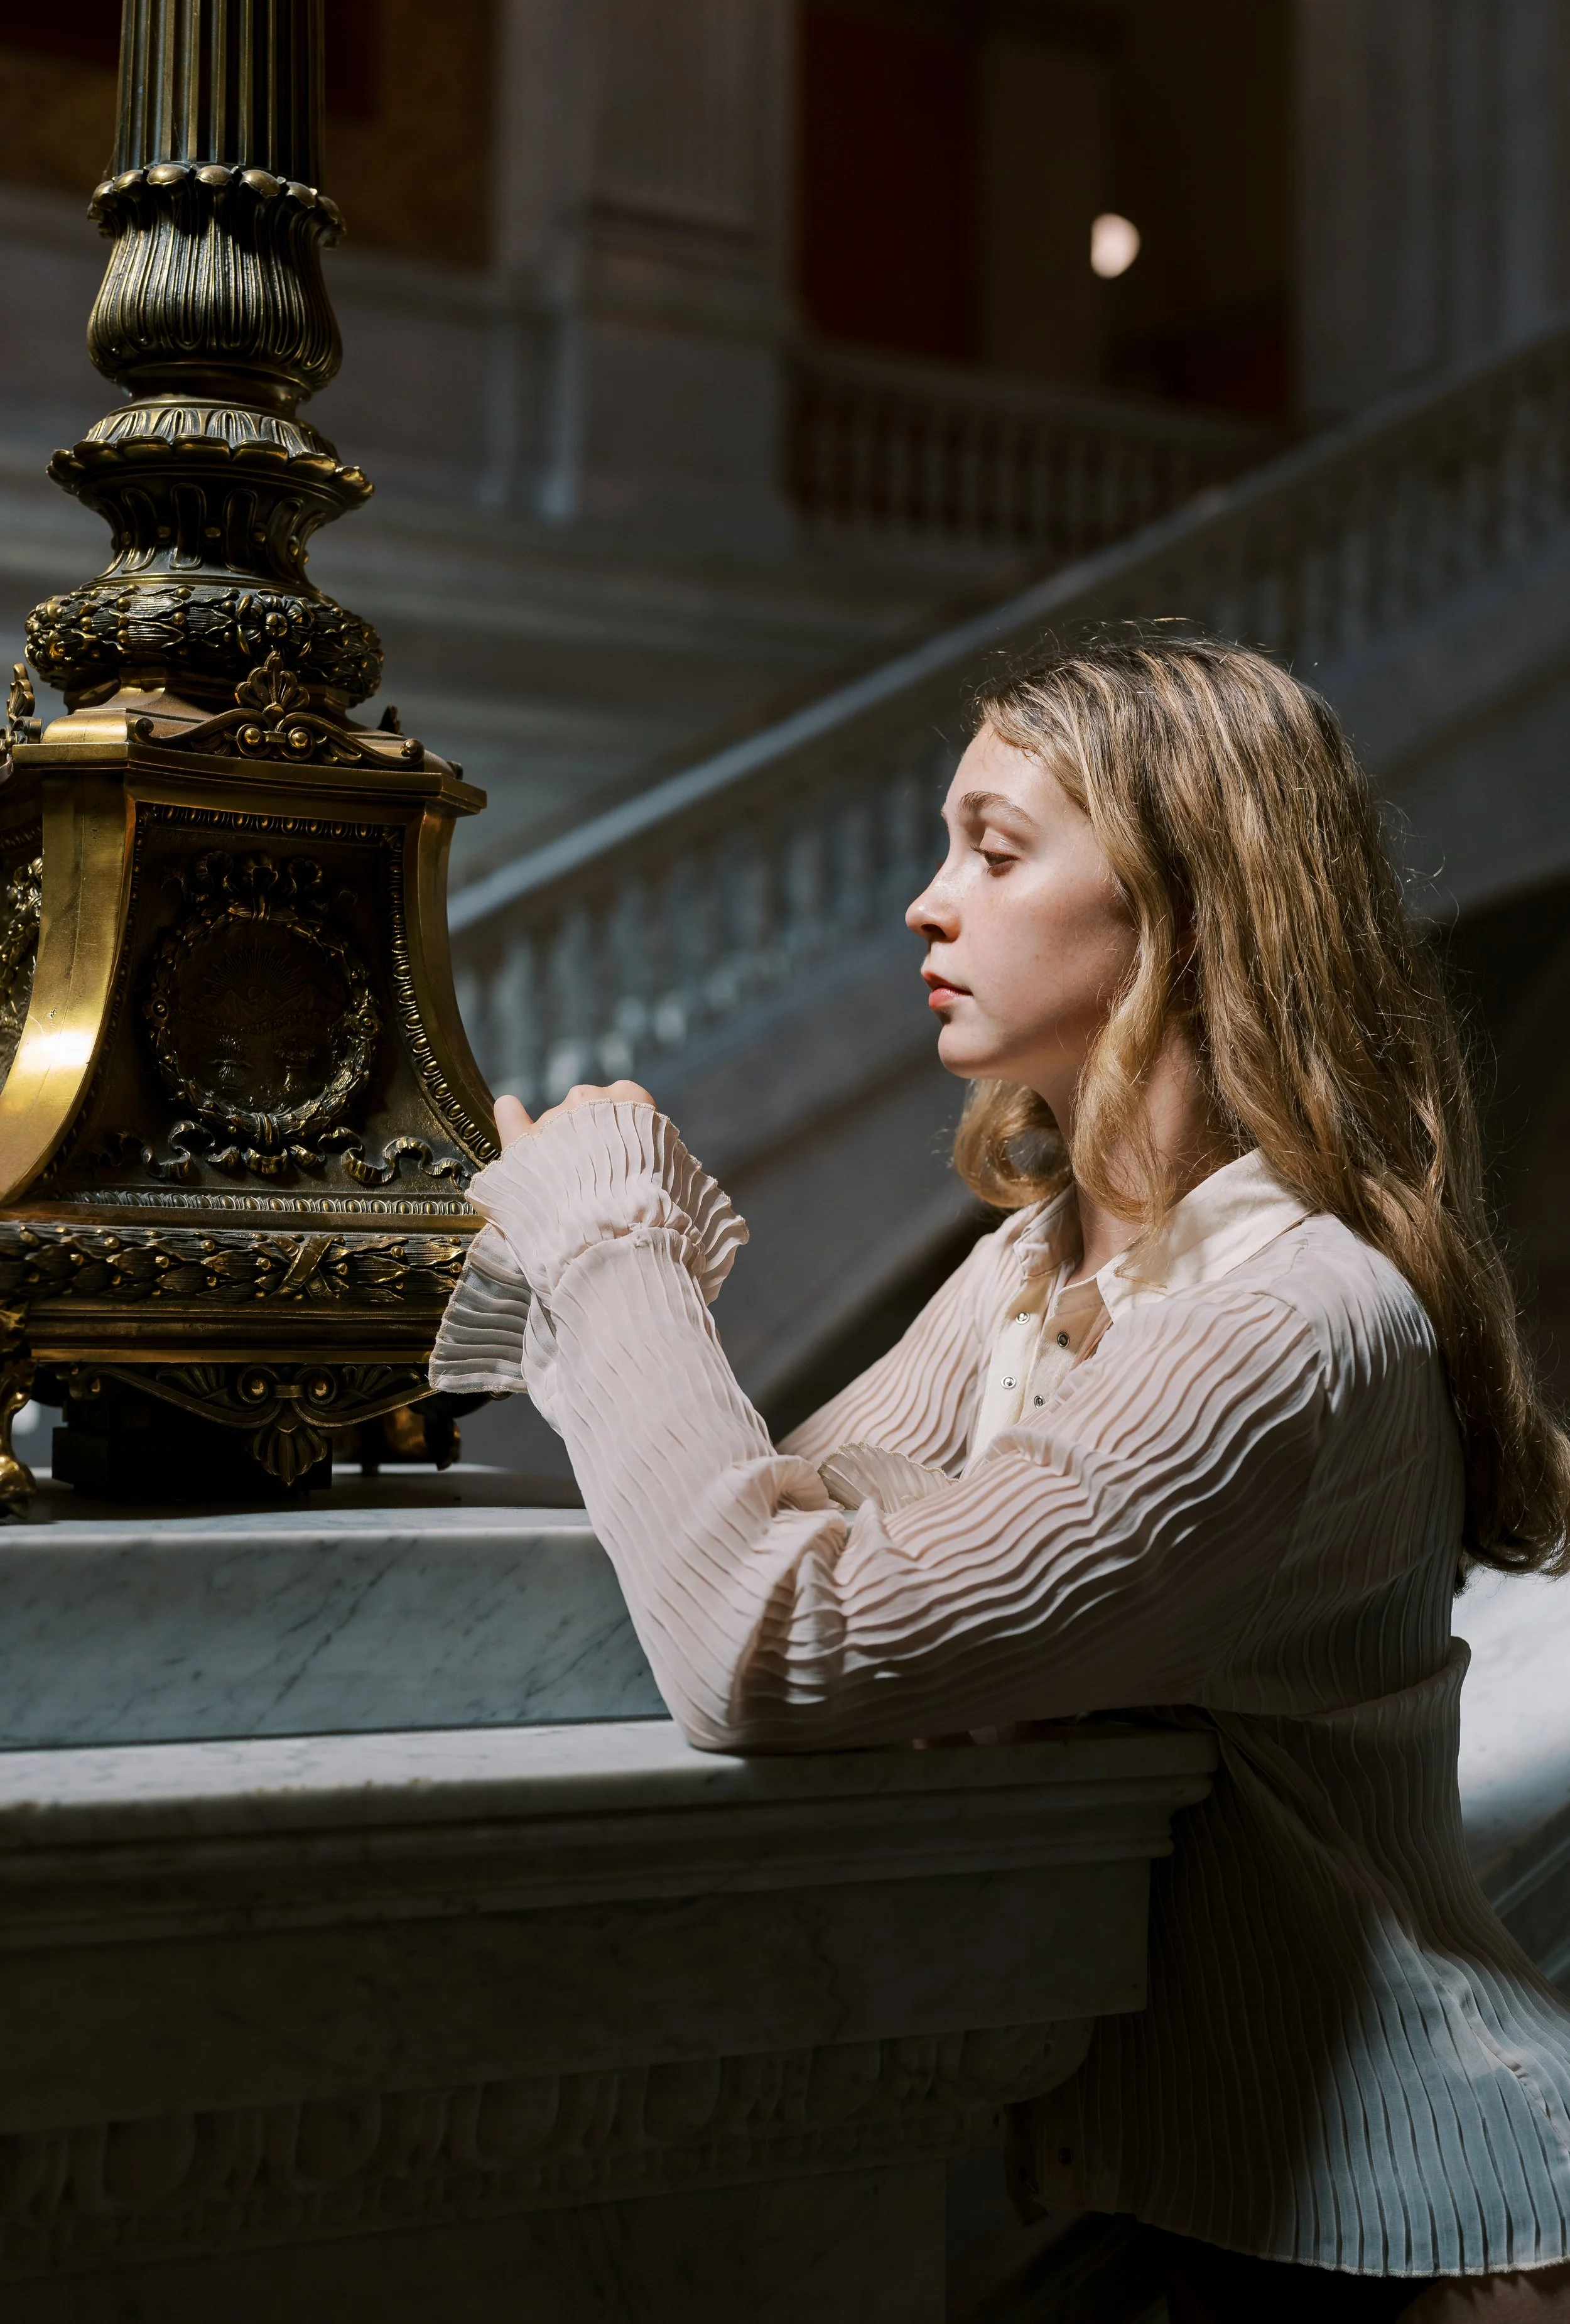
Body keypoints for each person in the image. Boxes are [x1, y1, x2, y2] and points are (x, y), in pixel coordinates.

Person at [431, 636, 1570, 2321]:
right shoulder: (1036, 1268)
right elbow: (740, 1535)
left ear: (1179, 900)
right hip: (1172, 2217)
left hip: (1394, 2247)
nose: (921, 901)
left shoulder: (1276, 1323)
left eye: (992, 843)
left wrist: (610, 1249)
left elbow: (769, 1644)